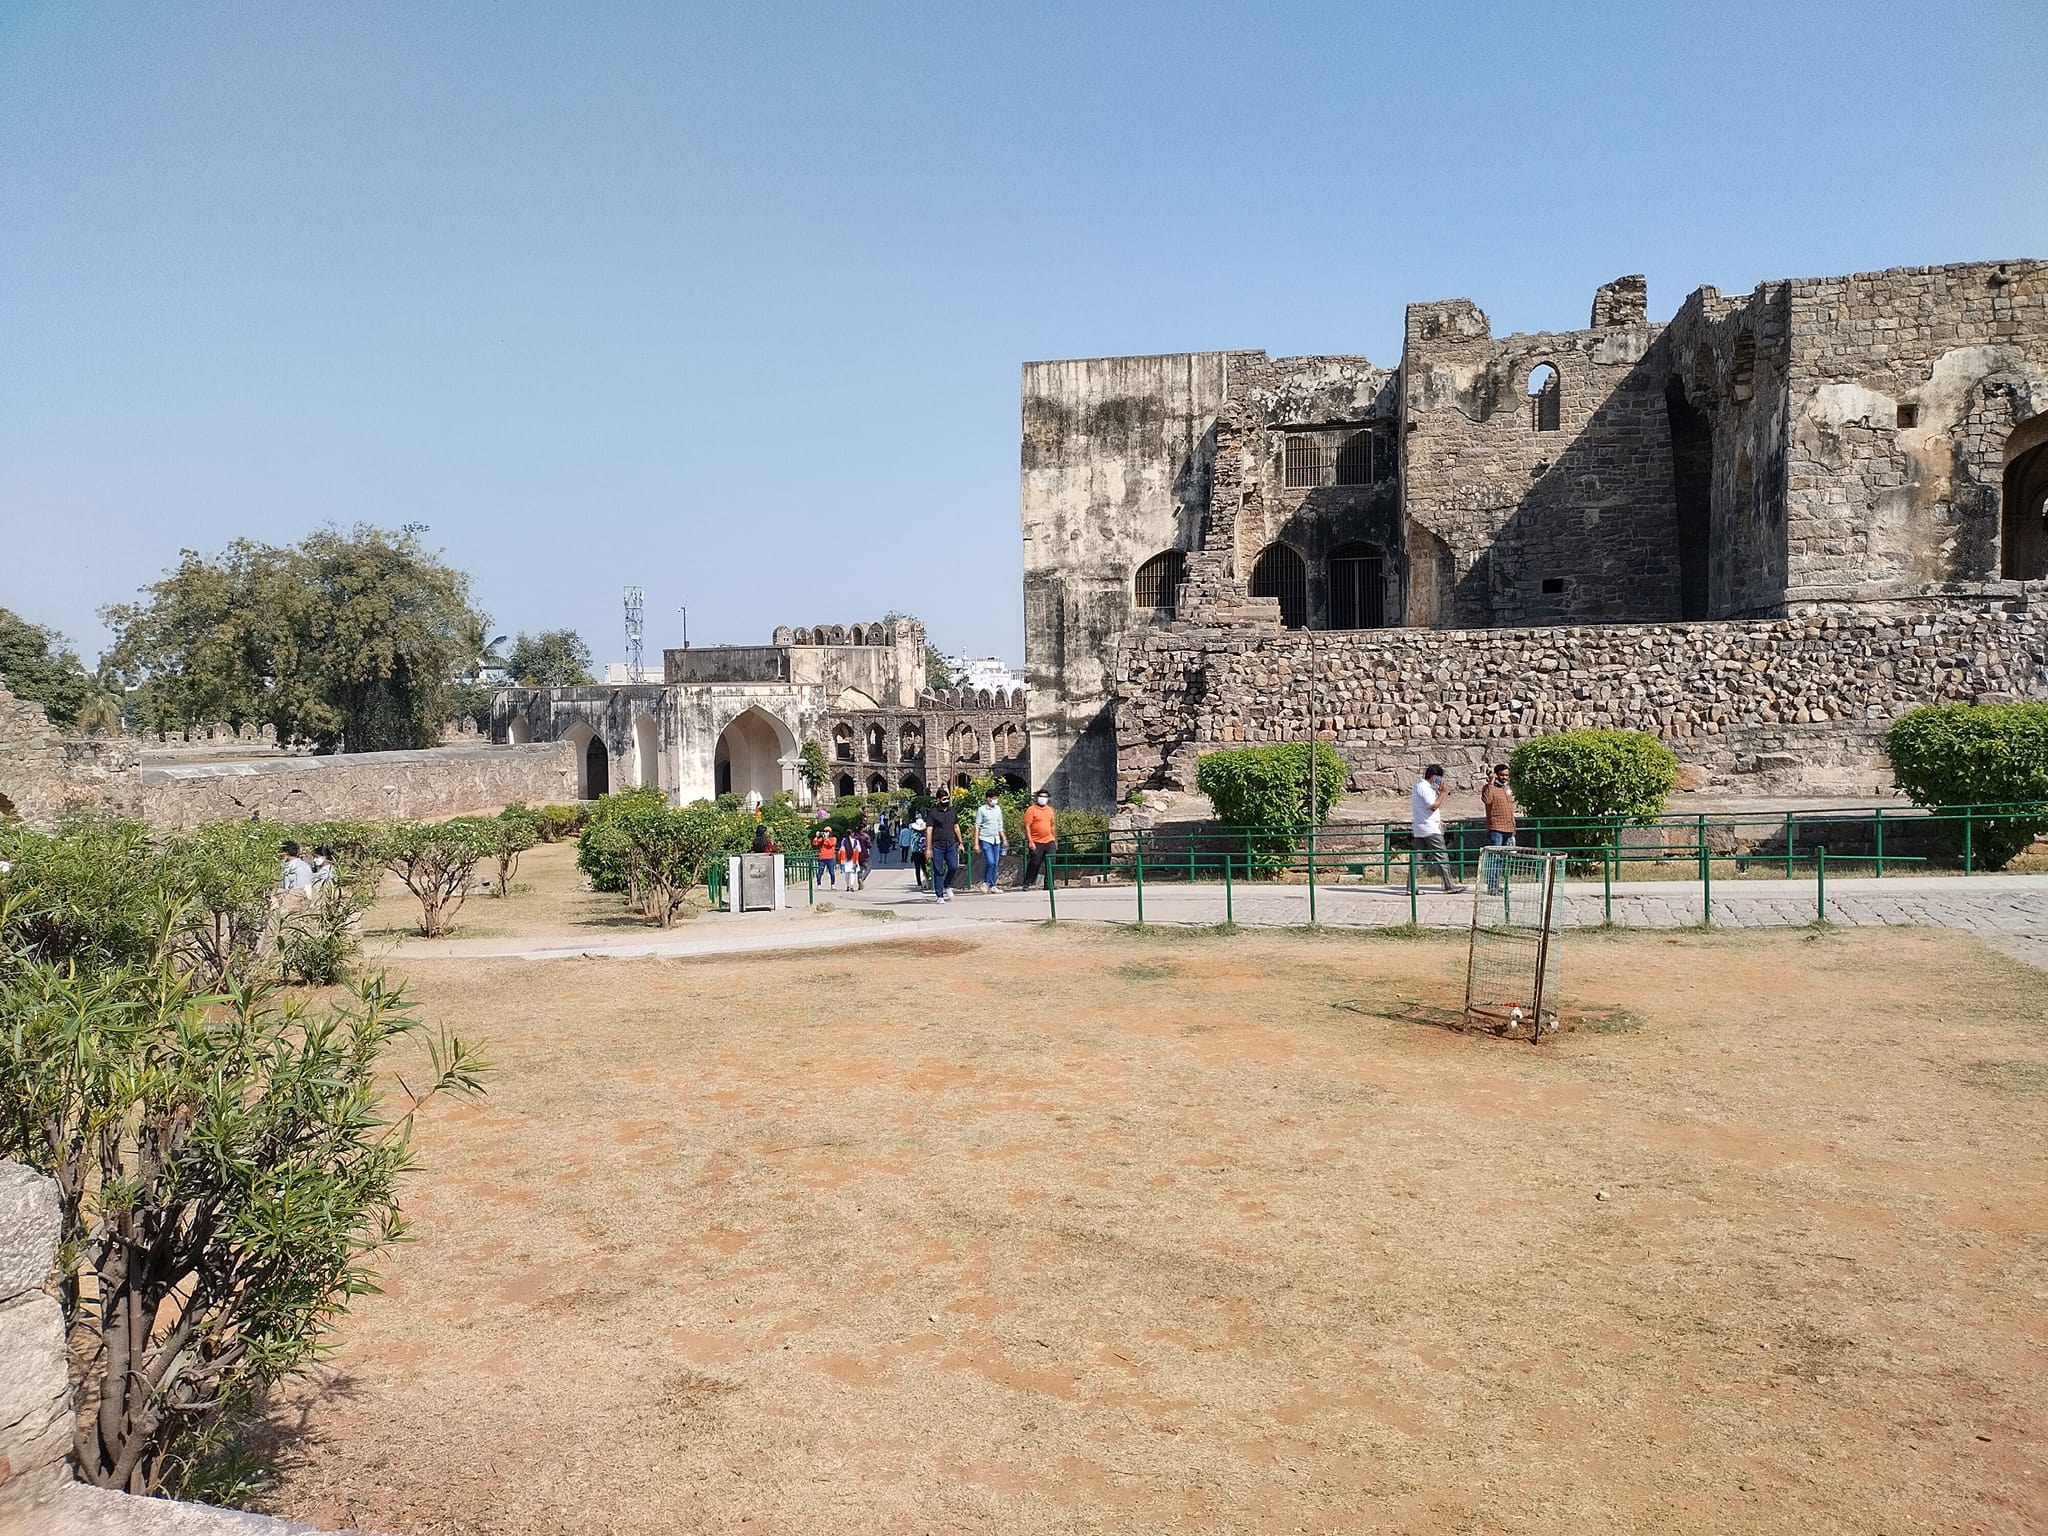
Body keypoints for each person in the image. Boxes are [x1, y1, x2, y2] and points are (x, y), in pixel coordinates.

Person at [1409, 763, 1464, 894]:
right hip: (1430, 828)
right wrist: (1443, 793)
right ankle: (1448, 885)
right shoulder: (1425, 788)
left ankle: (1411, 887)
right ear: (1434, 777)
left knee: (1417, 858)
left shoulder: (1418, 786)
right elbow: (1433, 806)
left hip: (1419, 826)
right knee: (1442, 856)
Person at [1479, 762, 1516, 894]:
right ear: (1496, 774)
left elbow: (1510, 809)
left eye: (1506, 775)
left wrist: (1513, 829)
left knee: (1502, 860)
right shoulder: (1489, 788)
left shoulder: (1507, 789)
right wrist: (1490, 782)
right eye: (1502, 775)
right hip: (1496, 828)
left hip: (1508, 828)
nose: (1504, 777)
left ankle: (1498, 885)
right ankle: (1491, 886)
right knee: (1494, 859)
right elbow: (1487, 800)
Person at [924, 790, 961, 902]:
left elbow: (956, 827)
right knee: (938, 870)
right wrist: (928, 848)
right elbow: (929, 830)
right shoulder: (933, 813)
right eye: (943, 799)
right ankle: (939, 895)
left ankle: (947, 884)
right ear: (938, 800)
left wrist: (960, 842)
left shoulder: (952, 811)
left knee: (953, 866)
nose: (946, 801)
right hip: (937, 845)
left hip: (950, 844)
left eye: (947, 798)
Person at [1020, 790, 1057, 889]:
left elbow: (1052, 826)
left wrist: (1054, 840)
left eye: (1045, 797)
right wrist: (1030, 841)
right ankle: (1027, 882)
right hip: (1036, 841)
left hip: (1049, 840)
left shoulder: (1049, 810)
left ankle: (1049, 884)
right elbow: (1027, 826)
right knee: (1035, 863)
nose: (1043, 798)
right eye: (1041, 796)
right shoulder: (1031, 810)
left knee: (1051, 862)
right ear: (1037, 797)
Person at [972, 790, 1006, 893]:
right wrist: (976, 843)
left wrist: (1004, 838)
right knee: (990, 861)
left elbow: (1000, 825)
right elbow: (977, 826)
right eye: (993, 798)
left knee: (995, 863)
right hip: (985, 838)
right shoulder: (981, 810)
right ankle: (986, 882)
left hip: (996, 839)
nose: (995, 800)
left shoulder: (998, 809)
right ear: (988, 798)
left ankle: (992, 885)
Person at [901, 817, 921, 881]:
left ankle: (919, 881)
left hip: (914, 851)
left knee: (917, 868)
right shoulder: (923, 835)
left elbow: (912, 844)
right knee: (923, 867)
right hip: (922, 852)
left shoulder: (913, 835)